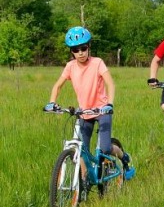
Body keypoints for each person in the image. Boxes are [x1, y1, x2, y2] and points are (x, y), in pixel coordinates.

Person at [45, 27, 135, 181]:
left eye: (83, 48)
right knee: (81, 149)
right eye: (75, 49)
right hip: (84, 113)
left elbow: (110, 84)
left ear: (88, 47)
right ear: (71, 52)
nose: (80, 52)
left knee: (105, 148)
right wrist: (52, 102)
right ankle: (85, 178)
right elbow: (57, 86)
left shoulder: (97, 63)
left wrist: (110, 104)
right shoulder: (70, 66)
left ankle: (124, 157)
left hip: (102, 111)